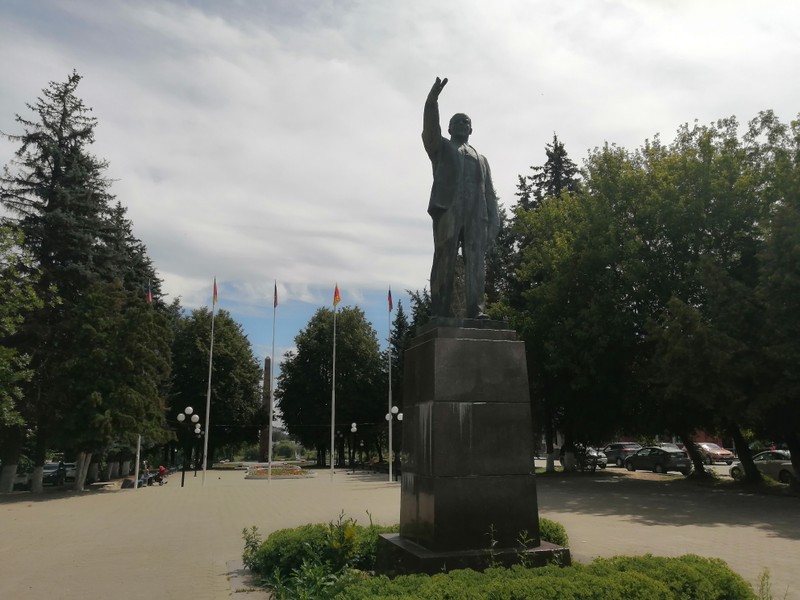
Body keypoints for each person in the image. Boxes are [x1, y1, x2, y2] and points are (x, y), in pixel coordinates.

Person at [422, 76, 500, 319]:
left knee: (476, 262)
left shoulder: (482, 159)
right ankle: (441, 311)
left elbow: (489, 193)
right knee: (444, 258)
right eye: (457, 121)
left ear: (471, 129)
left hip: (476, 215)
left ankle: (476, 310)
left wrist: (494, 222)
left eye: (466, 122)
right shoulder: (442, 148)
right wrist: (432, 101)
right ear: (449, 128)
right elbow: (430, 131)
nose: (462, 124)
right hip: (449, 209)